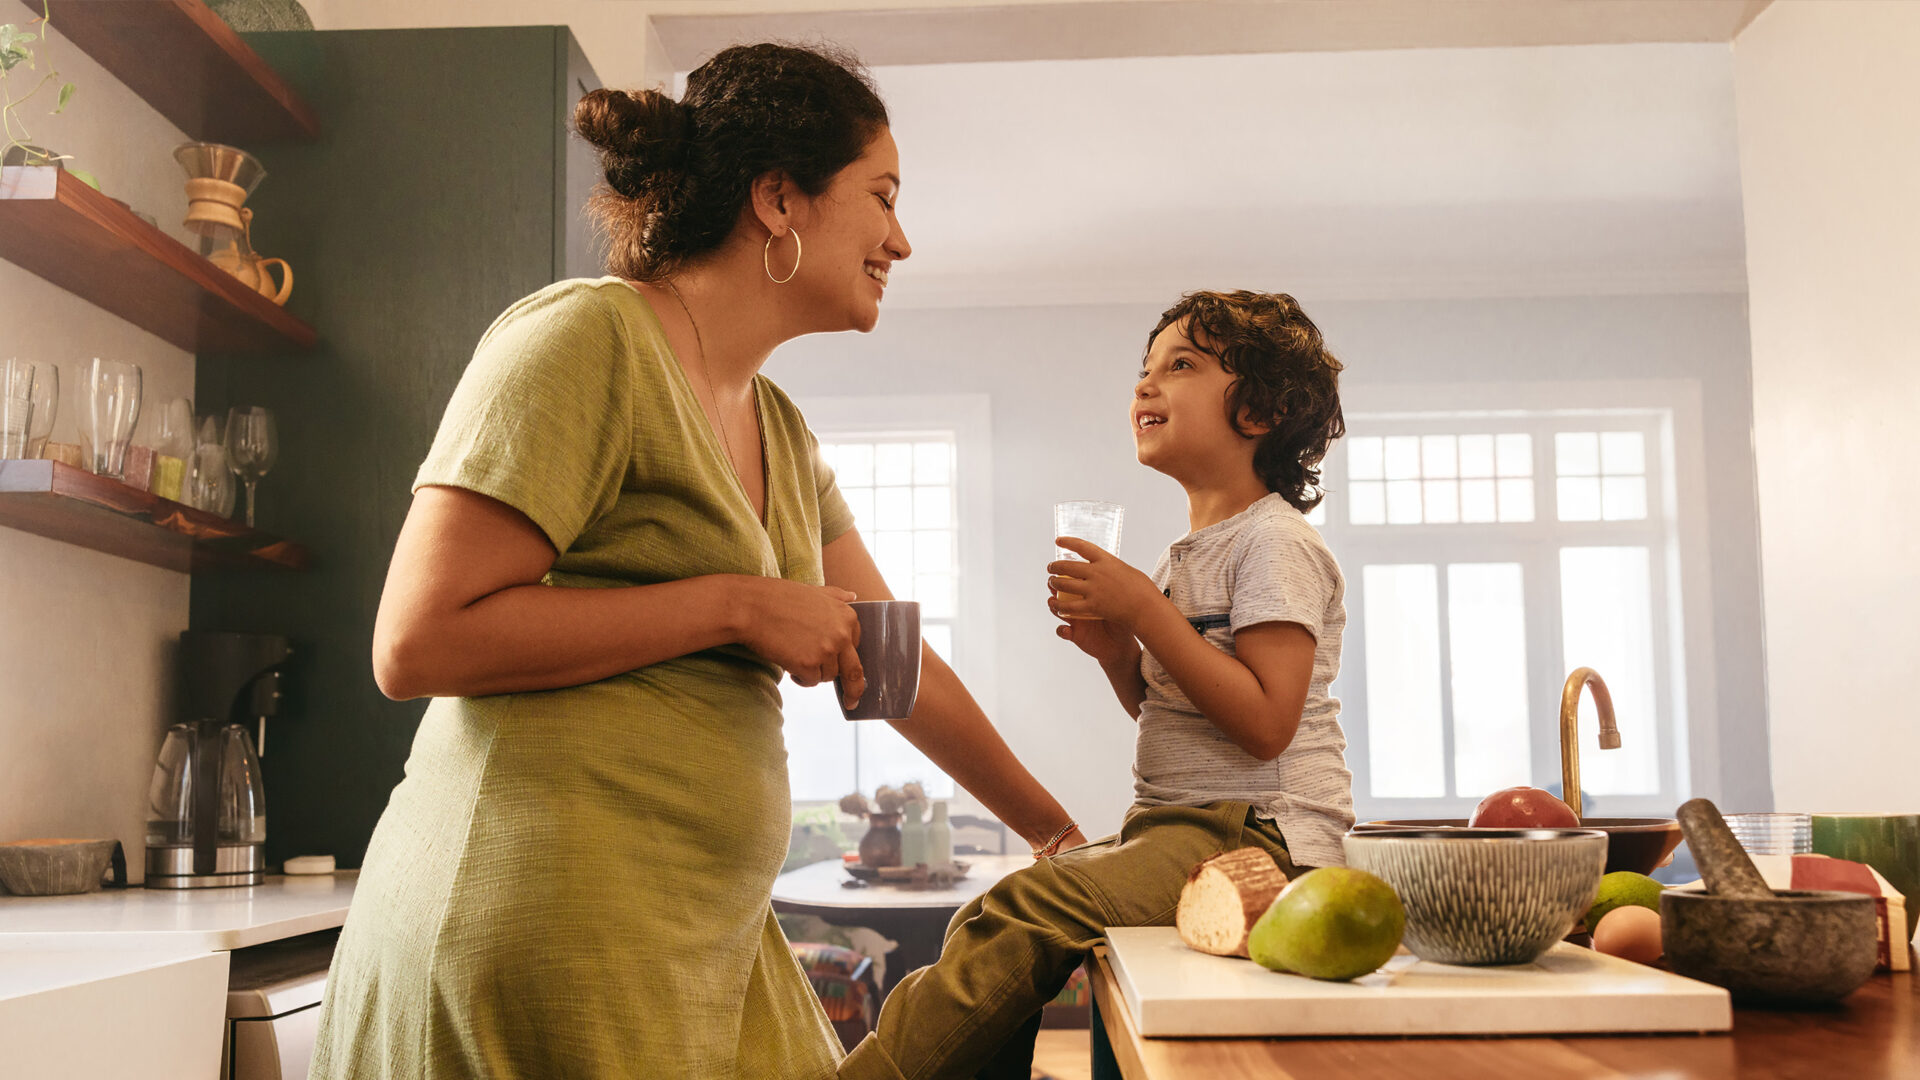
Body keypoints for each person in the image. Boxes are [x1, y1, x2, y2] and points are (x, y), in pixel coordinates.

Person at [309, 43, 1084, 1080]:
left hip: (699, 935)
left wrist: (1058, 837)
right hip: (538, 924)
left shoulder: (783, 431)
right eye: (882, 196)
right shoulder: (587, 340)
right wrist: (733, 606)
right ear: (778, 197)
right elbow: (416, 640)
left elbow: (892, 661)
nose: (901, 238)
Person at [840, 290, 1353, 1080]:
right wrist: (1120, 652)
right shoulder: (1185, 557)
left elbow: (1265, 724)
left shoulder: (1275, 542)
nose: (1145, 387)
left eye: (1180, 366)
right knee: (989, 908)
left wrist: (1145, 613)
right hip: (1181, 823)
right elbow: (1169, 713)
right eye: (1144, 371)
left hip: (1263, 835)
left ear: (1260, 409)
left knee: (1025, 910)